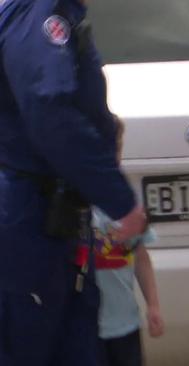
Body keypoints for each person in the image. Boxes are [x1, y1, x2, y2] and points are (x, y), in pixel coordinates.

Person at [0, 0, 147, 365]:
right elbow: (49, 111)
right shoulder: (41, 12)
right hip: (29, 215)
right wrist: (118, 199)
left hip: (50, 213)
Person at [95, 117, 164, 366]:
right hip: (83, 325)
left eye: (115, 150)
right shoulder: (70, 200)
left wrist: (153, 305)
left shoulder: (126, 201)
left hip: (125, 323)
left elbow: (140, 256)